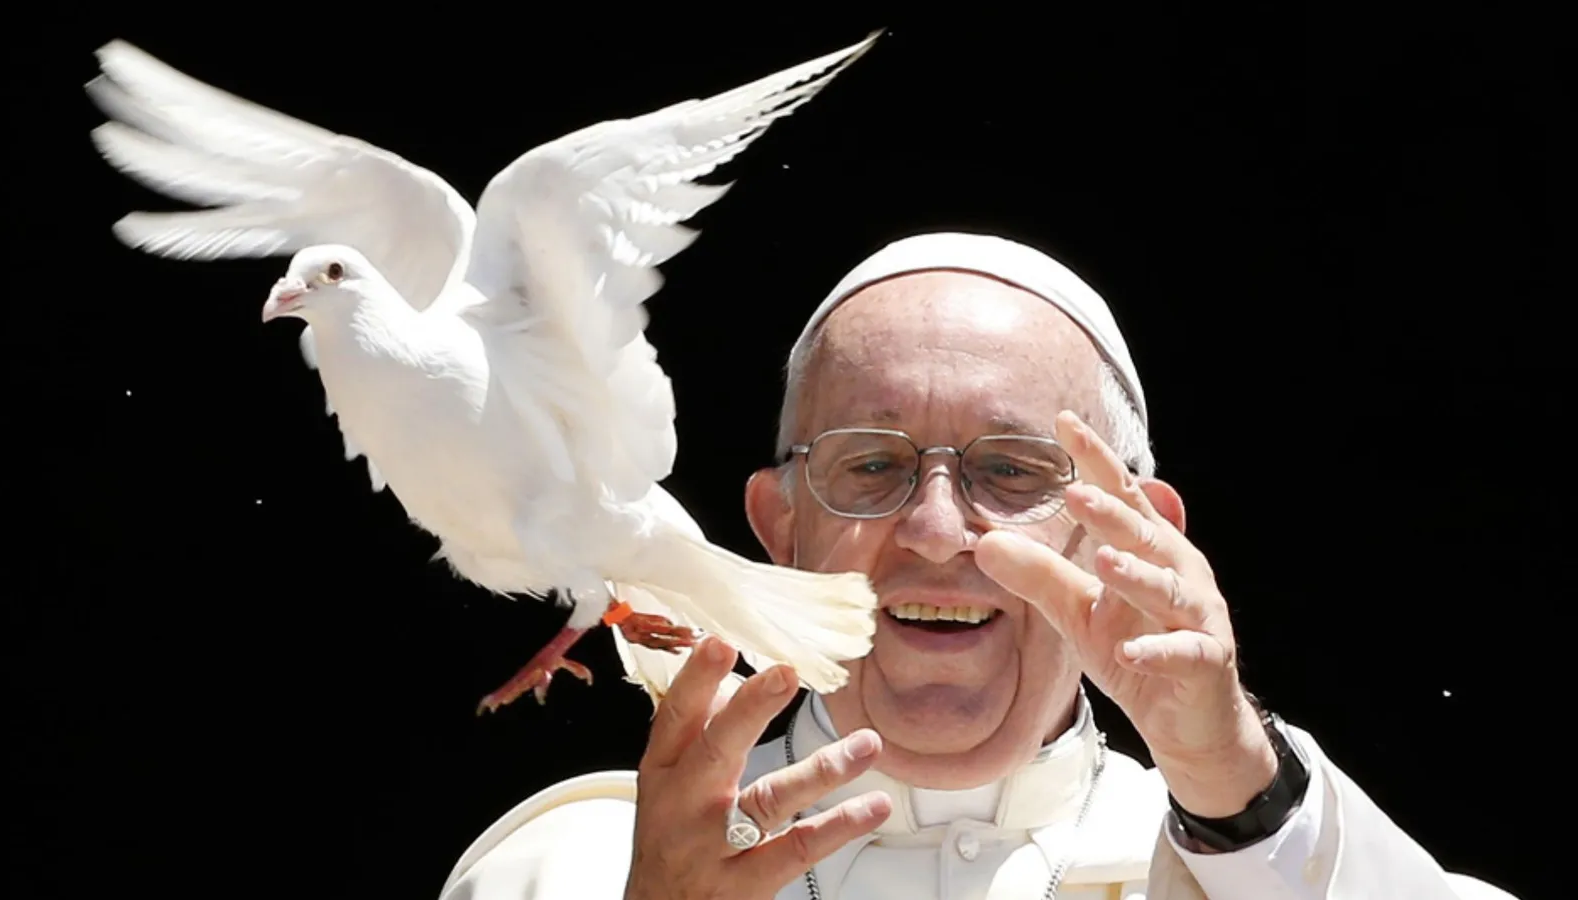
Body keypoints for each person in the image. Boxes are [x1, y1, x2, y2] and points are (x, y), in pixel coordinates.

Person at [436, 232, 1519, 899]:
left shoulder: (1267, 868)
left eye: (1011, 470)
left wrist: (1241, 789)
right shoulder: (579, 870)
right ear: (779, 525)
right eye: (871, 467)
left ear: (1129, 536)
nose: (936, 529)